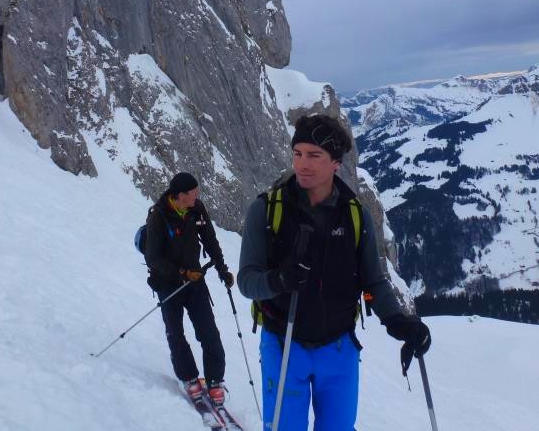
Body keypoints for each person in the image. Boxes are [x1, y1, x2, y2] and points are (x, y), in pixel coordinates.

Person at [237, 114, 432, 430]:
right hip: (283, 341)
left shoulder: (355, 217)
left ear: (335, 163)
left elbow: (373, 281)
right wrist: (279, 280)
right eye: (298, 153)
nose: (303, 163)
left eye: (314, 155)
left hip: (338, 347)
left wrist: (398, 321)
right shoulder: (267, 210)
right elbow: (247, 282)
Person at [144, 172, 235, 405]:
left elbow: (210, 240)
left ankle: (215, 380)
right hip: (168, 284)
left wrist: (222, 268)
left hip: (195, 282)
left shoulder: (197, 209)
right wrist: (182, 273)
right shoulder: (158, 216)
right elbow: (153, 257)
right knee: (176, 333)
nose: (198, 196)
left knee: (208, 331)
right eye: (194, 193)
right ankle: (189, 378)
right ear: (180, 195)